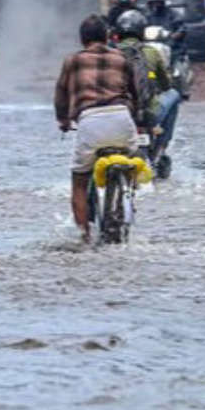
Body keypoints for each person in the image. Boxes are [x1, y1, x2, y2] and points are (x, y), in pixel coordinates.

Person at [54, 14, 140, 242]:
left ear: (82, 40)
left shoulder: (72, 61)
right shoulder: (121, 58)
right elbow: (135, 93)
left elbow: (61, 95)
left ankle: (84, 237)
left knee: (79, 182)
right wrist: (136, 120)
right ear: (107, 37)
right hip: (121, 118)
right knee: (132, 163)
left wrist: (63, 120)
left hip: (90, 122)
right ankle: (126, 200)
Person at [114, 10, 181, 171]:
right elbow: (166, 85)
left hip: (116, 114)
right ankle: (160, 148)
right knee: (174, 95)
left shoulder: (110, 53)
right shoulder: (151, 52)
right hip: (148, 113)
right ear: (141, 31)